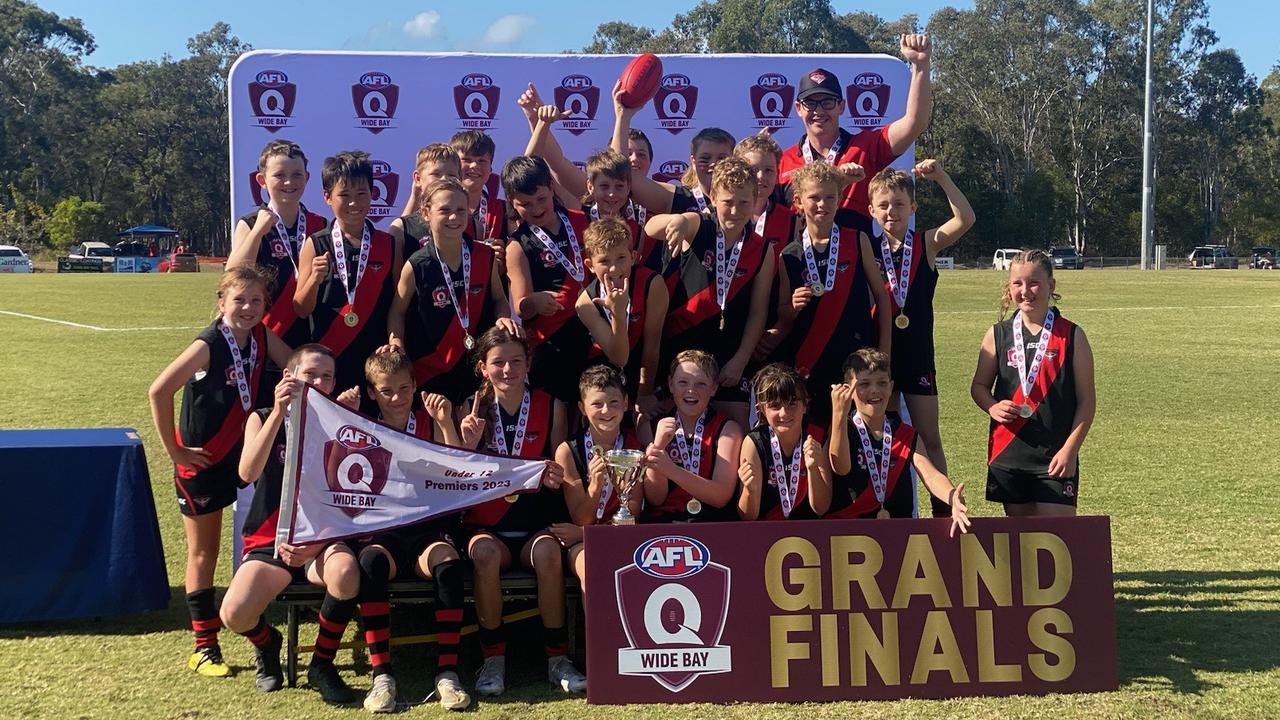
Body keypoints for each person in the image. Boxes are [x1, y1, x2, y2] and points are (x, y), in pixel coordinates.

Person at [147, 265, 291, 677]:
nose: (247, 307)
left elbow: (294, 365)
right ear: (221, 302)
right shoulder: (209, 343)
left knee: (259, 538)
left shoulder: (261, 336)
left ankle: (253, 623)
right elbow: (159, 389)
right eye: (239, 300)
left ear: (266, 305)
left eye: (256, 301)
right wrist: (174, 449)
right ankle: (205, 647)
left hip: (243, 461)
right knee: (203, 552)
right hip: (204, 462)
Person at [220, 344, 366, 704]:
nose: (318, 382)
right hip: (272, 538)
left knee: (346, 571)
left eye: (326, 376)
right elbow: (247, 472)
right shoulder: (263, 416)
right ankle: (268, 644)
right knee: (234, 613)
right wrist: (279, 413)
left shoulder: (341, 424)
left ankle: (321, 664)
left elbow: (349, 498)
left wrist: (314, 546)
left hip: (322, 537)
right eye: (310, 374)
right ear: (289, 377)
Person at [331, 349, 469, 712]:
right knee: (371, 565)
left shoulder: (430, 419)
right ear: (372, 392)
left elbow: (457, 475)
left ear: (415, 385)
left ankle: (448, 674)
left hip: (426, 528)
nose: (397, 398)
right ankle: (382, 676)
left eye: (404, 388)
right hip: (383, 531)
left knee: (449, 566)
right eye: (387, 391)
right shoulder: (359, 423)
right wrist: (342, 412)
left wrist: (446, 424)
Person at [455, 326, 587, 695]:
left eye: (516, 361)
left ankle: (557, 659)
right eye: (498, 363)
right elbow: (457, 481)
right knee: (482, 554)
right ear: (483, 367)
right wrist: (466, 445)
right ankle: (492, 661)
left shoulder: (552, 404)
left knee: (548, 553)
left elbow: (560, 463)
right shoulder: (471, 407)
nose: (508, 370)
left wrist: (555, 476)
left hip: (533, 524)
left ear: (529, 363)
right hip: (487, 526)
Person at [868, 161, 975, 516]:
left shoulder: (925, 243)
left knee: (929, 438)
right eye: (883, 205)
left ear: (913, 208)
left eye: (899, 204)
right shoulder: (865, 247)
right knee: (889, 441)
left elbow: (965, 219)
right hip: (880, 359)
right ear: (871, 209)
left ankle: (944, 509)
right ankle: (894, 507)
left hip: (917, 358)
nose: (891, 211)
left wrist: (942, 177)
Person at [646, 157, 775, 428]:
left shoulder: (762, 248)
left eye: (744, 202)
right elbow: (651, 227)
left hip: (729, 359)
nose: (735, 210)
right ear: (714, 197)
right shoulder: (700, 225)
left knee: (735, 432)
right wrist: (678, 221)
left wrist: (741, 359)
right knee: (670, 434)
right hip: (678, 352)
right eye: (728, 202)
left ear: (755, 200)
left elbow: (758, 312)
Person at [971, 249, 1095, 517]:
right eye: (1017, 283)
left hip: (1056, 457)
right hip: (1008, 454)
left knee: (1058, 542)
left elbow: (1087, 401)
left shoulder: (1072, 335)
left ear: (1051, 285)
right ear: (1009, 287)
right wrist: (992, 407)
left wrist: (1070, 451)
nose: (1026, 291)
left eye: (1034, 282)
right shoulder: (997, 334)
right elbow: (979, 387)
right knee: (1022, 548)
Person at [769, 161, 890, 422]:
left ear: (839, 199)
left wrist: (884, 351)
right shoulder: (788, 255)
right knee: (816, 429)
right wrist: (793, 306)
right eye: (814, 197)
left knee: (857, 430)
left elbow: (881, 296)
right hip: (811, 360)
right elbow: (783, 314)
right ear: (799, 201)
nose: (822, 204)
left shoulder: (857, 240)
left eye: (829, 197)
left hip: (858, 358)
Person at [777, 34, 934, 233]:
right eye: (810, 103)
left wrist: (920, 66)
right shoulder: (782, 162)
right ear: (798, 108)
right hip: (801, 261)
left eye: (827, 102)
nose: (818, 111)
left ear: (841, 106)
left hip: (857, 262)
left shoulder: (864, 147)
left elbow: (914, 123)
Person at [386, 176, 519, 405]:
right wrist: (397, 343)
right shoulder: (416, 265)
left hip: (478, 368)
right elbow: (397, 311)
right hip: (431, 370)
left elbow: (498, 298)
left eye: (460, 210)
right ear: (426, 213)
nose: (454, 217)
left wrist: (503, 317)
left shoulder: (484, 256)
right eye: (444, 210)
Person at [228, 140, 329, 405]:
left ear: (307, 178)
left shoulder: (321, 225)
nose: (288, 182)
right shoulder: (250, 223)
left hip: (311, 339)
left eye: (296, 175)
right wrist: (259, 231)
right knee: (269, 412)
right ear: (262, 180)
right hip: (265, 340)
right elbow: (233, 274)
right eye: (279, 175)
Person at [828, 348, 970, 536]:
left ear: (891, 386)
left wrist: (952, 497)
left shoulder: (904, 432)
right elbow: (840, 467)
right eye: (864, 384)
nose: (874, 390)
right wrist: (839, 413)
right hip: (851, 533)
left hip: (898, 531)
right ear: (848, 389)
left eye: (882, 383)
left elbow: (931, 475)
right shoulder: (843, 427)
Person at [295, 151, 402, 394]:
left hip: (374, 362)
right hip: (328, 364)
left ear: (372, 195)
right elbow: (301, 308)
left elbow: (397, 306)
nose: (354, 203)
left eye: (361, 194)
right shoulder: (315, 243)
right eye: (344, 195)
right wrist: (313, 279)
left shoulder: (388, 244)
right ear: (327, 197)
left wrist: (396, 341)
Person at [552, 364, 651, 591]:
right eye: (597, 404)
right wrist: (595, 486)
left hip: (620, 538)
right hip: (581, 544)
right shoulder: (568, 451)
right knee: (593, 569)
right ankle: (597, 628)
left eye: (614, 402)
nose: (606, 411)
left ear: (626, 403)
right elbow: (581, 518)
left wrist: (585, 533)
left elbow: (632, 513)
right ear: (582, 408)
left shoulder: (635, 450)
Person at [503, 155, 593, 404]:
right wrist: (534, 301)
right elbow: (521, 306)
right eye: (525, 204)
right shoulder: (517, 245)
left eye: (541, 199)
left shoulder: (581, 220)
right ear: (512, 202)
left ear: (552, 188)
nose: (536, 208)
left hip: (595, 332)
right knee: (560, 412)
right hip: (552, 344)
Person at [575, 217, 668, 419]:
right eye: (604, 261)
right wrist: (618, 313)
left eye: (621, 258)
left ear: (633, 257)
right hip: (605, 384)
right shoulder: (585, 303)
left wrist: (645, 393)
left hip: (646, 378)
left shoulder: (652, 284)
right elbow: (618, 357)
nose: (614, 269)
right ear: (590, 265)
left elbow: (652, 344)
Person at [641, 351, 743, 523]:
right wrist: (658, 447)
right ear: (670, 385)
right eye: (683, 382)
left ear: (714, 388)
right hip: (664, 525)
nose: (691, 390)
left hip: (710, 524)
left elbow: (721, 496)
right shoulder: (651, 427)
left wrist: (671, 470)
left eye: (701, 384)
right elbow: (655, 499)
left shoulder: (728, 430)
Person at [610, 82, 735, 215]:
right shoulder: (681, 199)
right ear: (693, 162)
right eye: (705, 159)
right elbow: (621, 173)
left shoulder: (747, 197)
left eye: (722, 158)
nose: (714, 164)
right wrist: (623, 117)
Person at [737, 363, 833, 520]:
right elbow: (747, 517)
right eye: (775, 406)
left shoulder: (816, 437)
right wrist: (750, 490)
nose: (784, 413)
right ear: (762, 409)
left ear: (805, 405)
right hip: (766, 533)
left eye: (792, 404)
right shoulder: (754, 442)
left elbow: (821, 508)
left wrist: (813, 469)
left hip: (809, 534)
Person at [388, 143, 463, 263]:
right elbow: (396, 279)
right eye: (436, 174)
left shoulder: (473, 225)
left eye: (451, 175)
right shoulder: (401, 229)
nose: (444, 180)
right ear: (418, 179)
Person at [449, 130, 508, 244]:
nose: (474, 165)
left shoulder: (502, 209)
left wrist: (502, 253)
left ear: (490, 169)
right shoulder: (439, 208)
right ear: (453, 164)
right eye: (466, 159)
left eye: (481, 161)